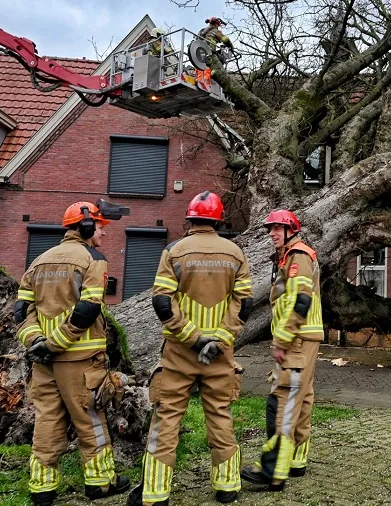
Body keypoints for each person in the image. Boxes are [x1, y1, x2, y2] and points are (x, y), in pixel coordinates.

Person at [128, 191, 253, 506]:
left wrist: (192, 337)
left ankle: (155, 494)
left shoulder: (174, 251)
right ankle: (227, 488)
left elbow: (161, 301)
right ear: (218, 220)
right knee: (220, 414)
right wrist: (220, 337)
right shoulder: (235, 253)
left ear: (190, 218)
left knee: (167, 417)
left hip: (179, 352)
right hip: (220, 353)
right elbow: (245, 302)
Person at [14, 200, 132, 506]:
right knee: (91, 418)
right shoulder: (92, 259)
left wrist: (36, 342)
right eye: (101, 228)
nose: (104, 235)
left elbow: (20, 311)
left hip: (44, 362)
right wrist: (57, 342)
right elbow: (88, 308)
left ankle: (42, 488)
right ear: (87, 226)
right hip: (79, 361)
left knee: (47, 421)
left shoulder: (38, 261)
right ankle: (100, 483)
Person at [241, 210, 323, 491]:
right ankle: (296, 460)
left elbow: (301, 300)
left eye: (278, 229)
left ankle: (273, 469)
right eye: (271, 229)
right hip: (305, 338)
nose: (272, 234)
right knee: (303, 397)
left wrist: (283, 340)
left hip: (297, 339)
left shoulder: (298, 255)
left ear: (291, 231)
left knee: (284, 399)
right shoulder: (292, 255)